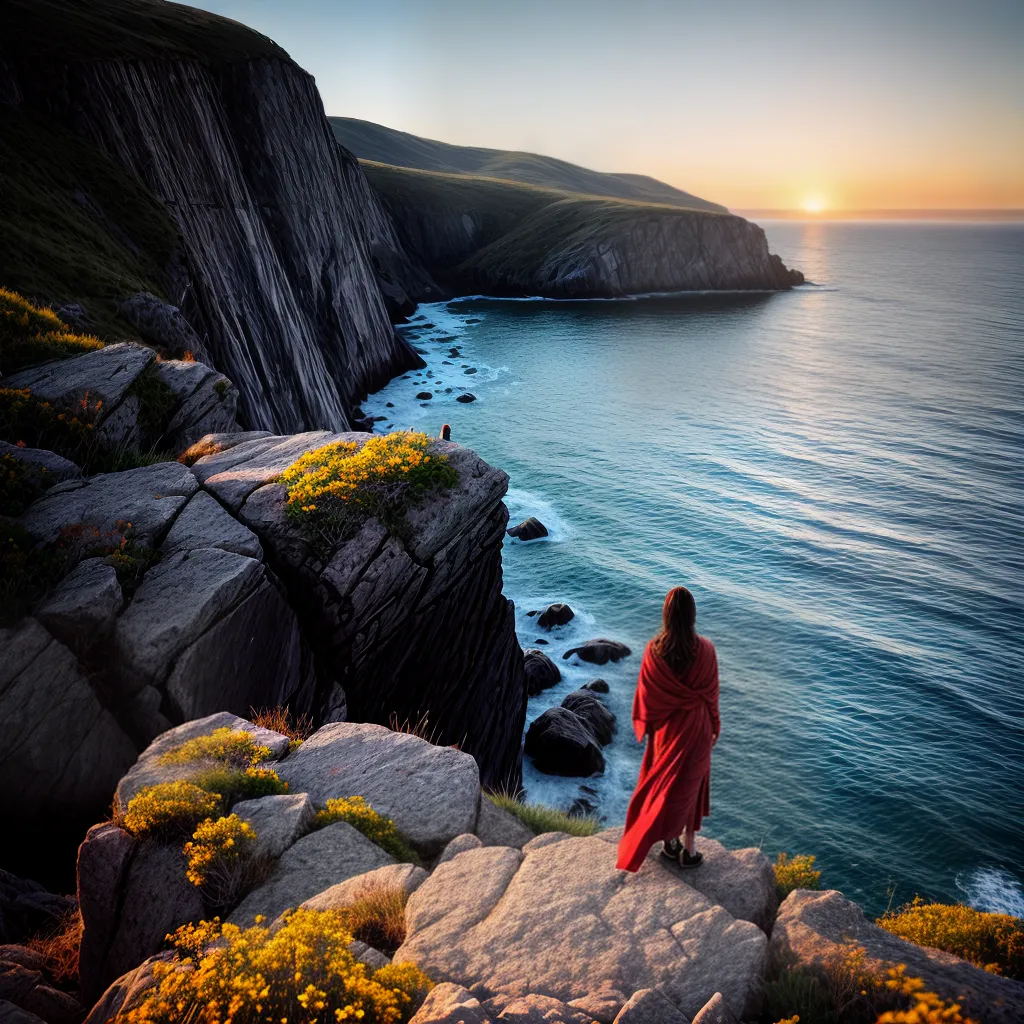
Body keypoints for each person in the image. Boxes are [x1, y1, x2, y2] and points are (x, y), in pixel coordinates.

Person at [616, 586, 720, 872]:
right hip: (698, 727)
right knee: (691, 786)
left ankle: (670, 843)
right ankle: (689, 849)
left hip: (668, 731)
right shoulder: (707, 651)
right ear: (692, 616)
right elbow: (711, 695)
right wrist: (714, 725)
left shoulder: (654, 651)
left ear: (666, 615)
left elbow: (646, 699)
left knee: (667, 785)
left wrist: (648, 726)